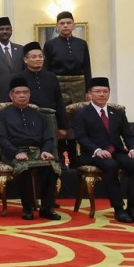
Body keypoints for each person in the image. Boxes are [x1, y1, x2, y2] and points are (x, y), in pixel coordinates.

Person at [71, 77, 134, 223]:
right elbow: (81, 137)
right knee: (110, 166)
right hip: (92, 154)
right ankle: (118, 208)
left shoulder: (117, 113)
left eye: (105, 91)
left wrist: (133, 149)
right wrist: (97, 150)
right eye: (97, 91)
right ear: (89, 94)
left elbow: (129, 135)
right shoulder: (81, 114)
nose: (101, 94)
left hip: (116, 151)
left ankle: (132, 207)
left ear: (109, 93)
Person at [0, 77, 62, 221]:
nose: (22, 95)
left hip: (38, 152)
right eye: (18, 93)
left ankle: (46, 208)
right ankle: (27, 208)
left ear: (29, 95)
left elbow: (48, 137)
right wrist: (16, 153)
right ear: (11, 96)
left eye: (25, 92)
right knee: (23, 168)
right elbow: (1, 138)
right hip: (14, 152)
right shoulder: (3, 114)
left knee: (51, 168)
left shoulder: (38, 115)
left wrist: (45, 150)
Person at [43, 11, 91, 166]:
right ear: (57, 26)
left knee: (77, 120)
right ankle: (60, 156)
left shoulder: (82, 44)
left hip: (79, 85)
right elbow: (47, 69)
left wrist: (88, 90)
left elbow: (87, 67)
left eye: (68, 23)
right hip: (58, 85)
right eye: (62, 23)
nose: (65, 26)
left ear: (74, 25)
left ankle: (75, 155)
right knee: (60, 119)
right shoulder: (50, 45)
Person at [19, 42, 68, 147]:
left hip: (51, 119)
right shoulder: (19, 78)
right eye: (34, 57)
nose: (38, 59)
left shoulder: (51, 77)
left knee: (54, 148)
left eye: (41, 56)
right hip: (29, 120)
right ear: (25, 60)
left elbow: (59, 101)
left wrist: (62, 126)